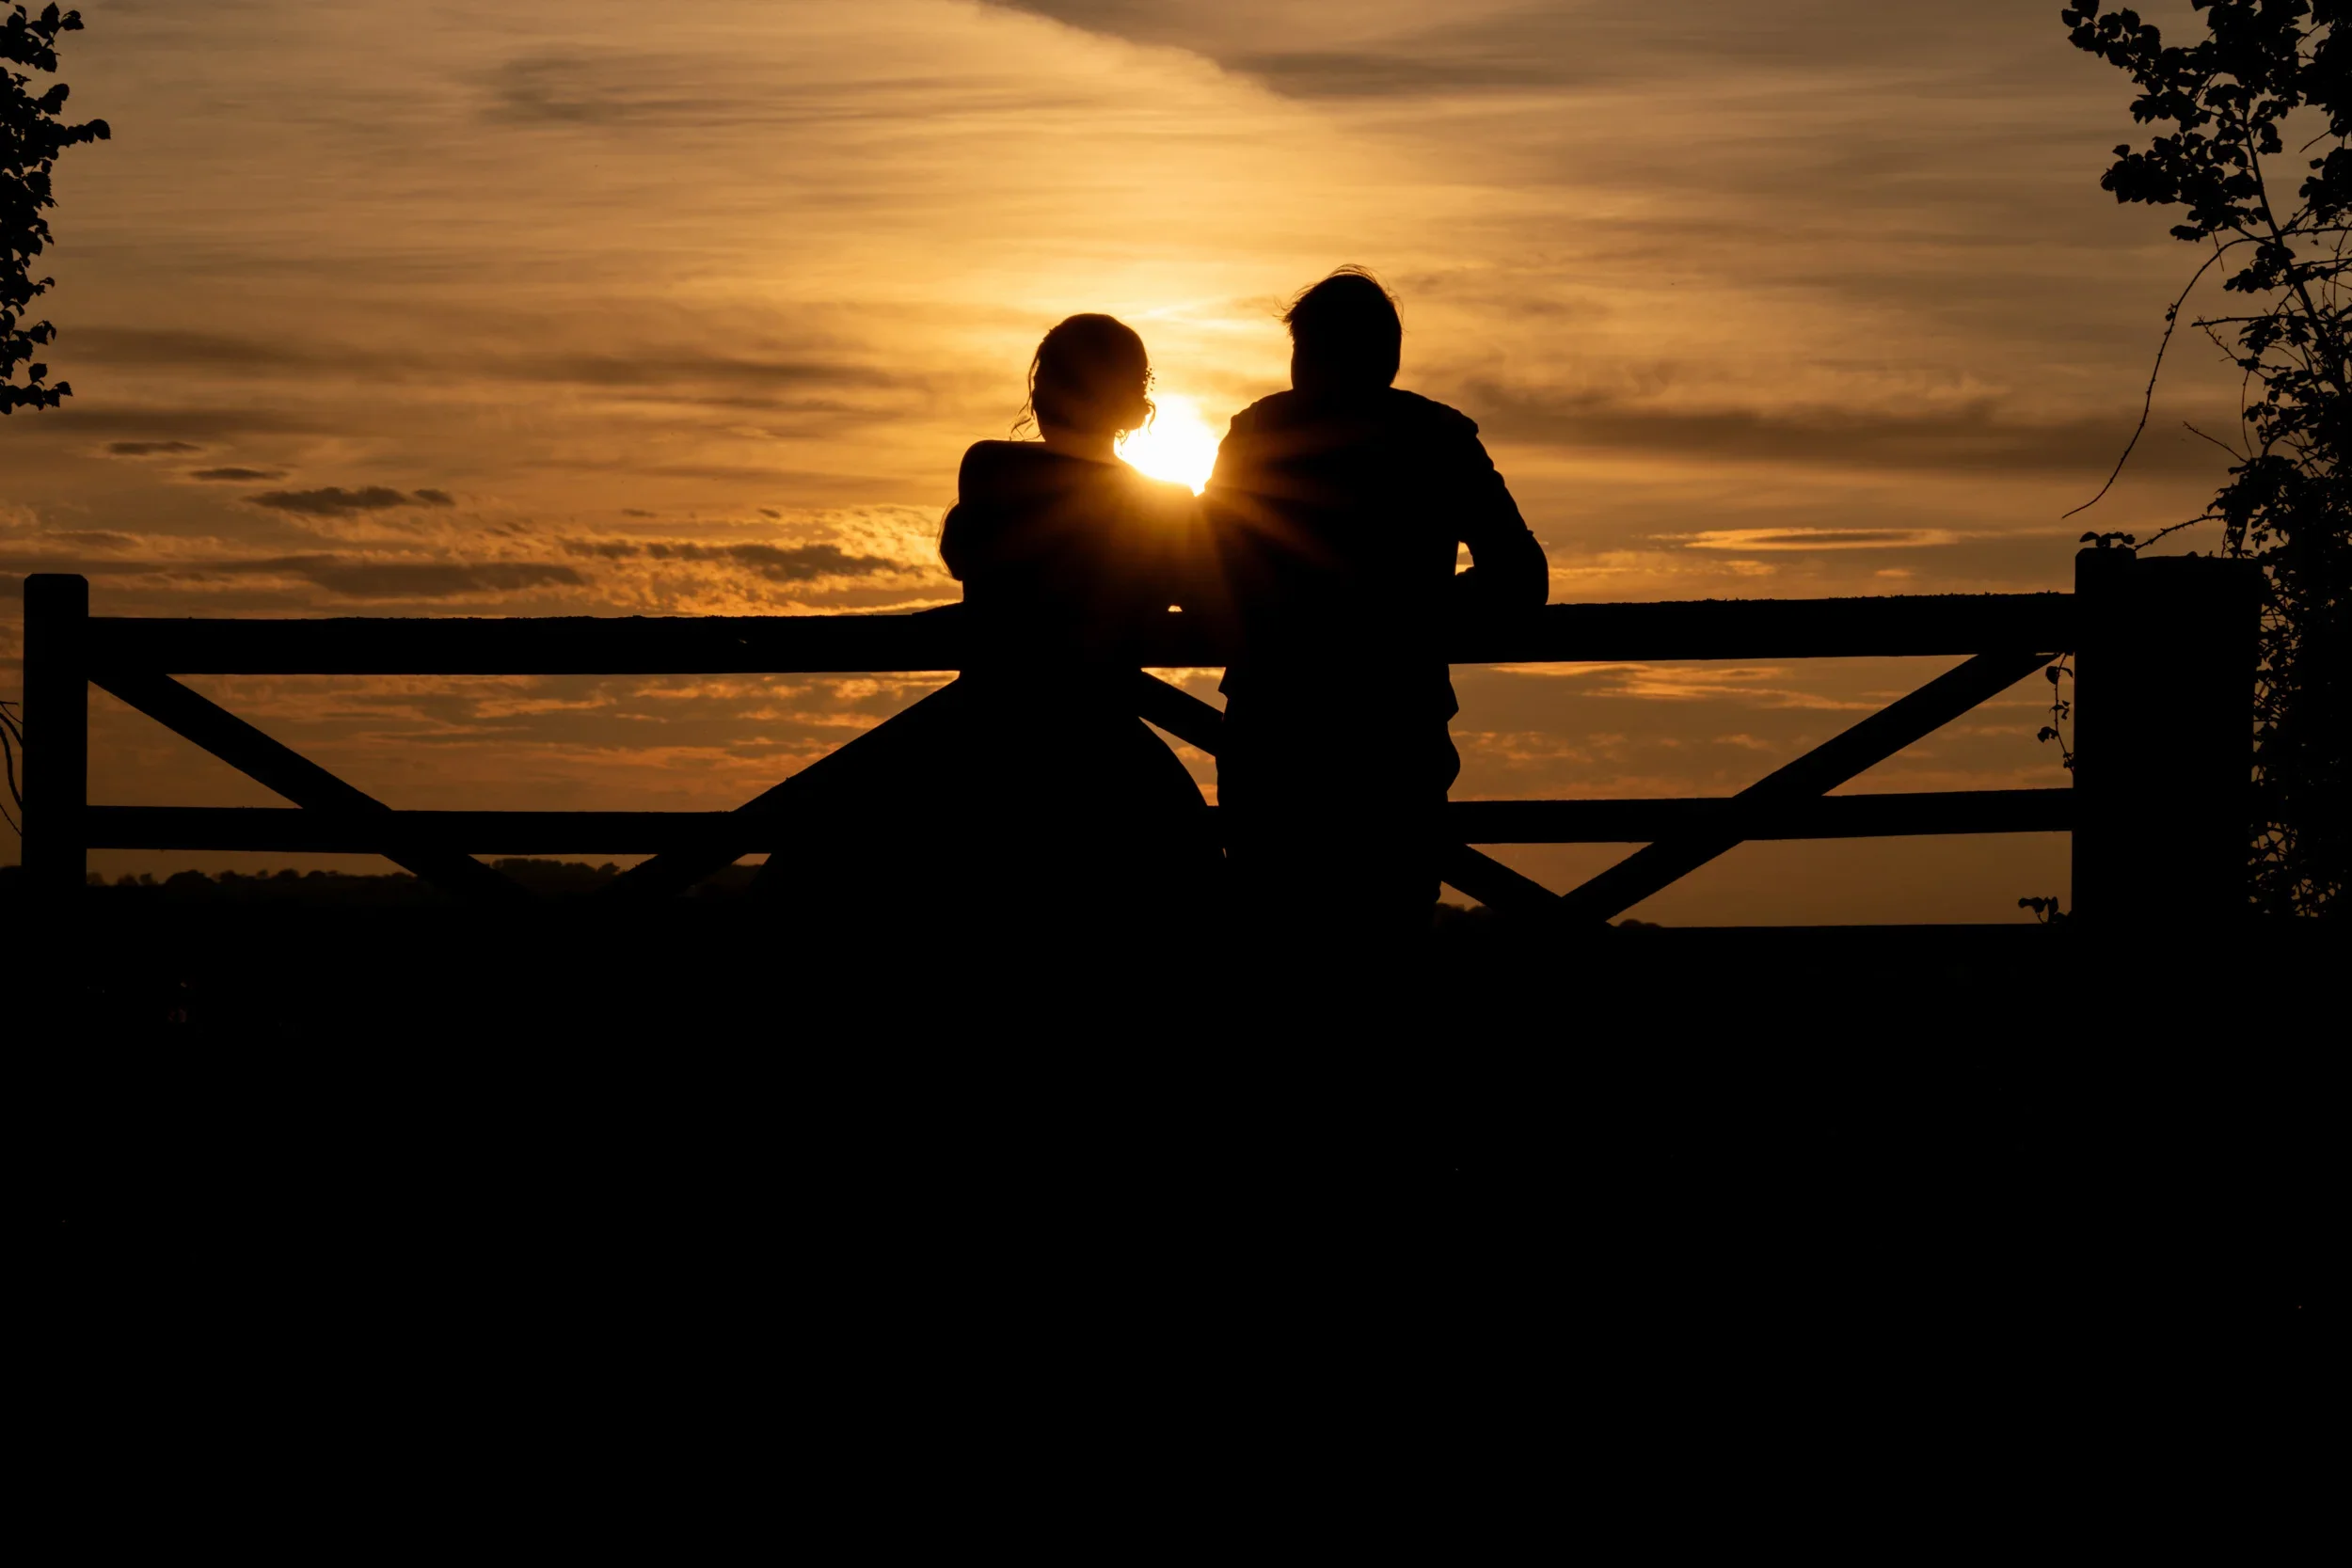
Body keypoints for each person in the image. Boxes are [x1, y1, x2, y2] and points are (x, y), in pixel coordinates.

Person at [756, 314, 1219, 947]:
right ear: (1133, 401)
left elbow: (967, 554)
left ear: (1042, 389)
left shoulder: (991, 471)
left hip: (983, 732)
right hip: (1103, 746)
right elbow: (1194, 590)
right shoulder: (1161, 504)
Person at [1203, 267, 1549, 950]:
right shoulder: (1440, 439)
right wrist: (1418, 616)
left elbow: (1200, 561)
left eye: (1305, 351)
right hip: (1394, 739)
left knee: (1271, 932)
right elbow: (1520, 575)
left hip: (1277, 734)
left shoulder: (1255, 435)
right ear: (1387, 358)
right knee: (1385, 937)